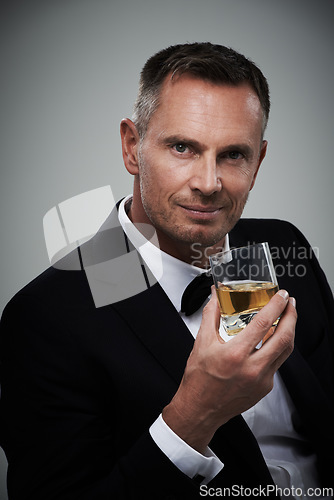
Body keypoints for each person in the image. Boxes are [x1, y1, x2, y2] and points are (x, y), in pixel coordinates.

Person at [0, 42, 333, 500]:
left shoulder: (284, 244)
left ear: (258, 162)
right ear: (132, 147)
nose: (208, 182)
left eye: (234, 154)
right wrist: (193, 415)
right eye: (182, 147)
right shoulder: (45, 318)